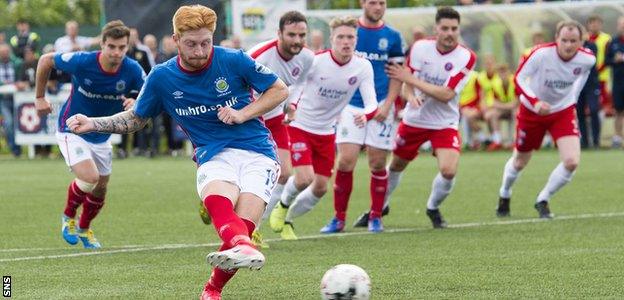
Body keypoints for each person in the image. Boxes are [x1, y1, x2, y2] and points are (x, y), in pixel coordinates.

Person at [65, 5, 288, 299]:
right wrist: (93, 123)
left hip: (258, 152)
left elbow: (279, 89)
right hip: (212, 154)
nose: (200, 51)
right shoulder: (161, 77)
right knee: (228, 215)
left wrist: (243, 113)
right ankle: (230, 262)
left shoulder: (234, 60)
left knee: (242, 229)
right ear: (175, 39)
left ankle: (213, 287)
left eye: (206, 42)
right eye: (191, 44)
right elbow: (136, 118)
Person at [34, 20, 145, 249]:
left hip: (101, 134)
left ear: (127, 47)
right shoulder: (83, 61)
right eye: (112, 46)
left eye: (121, 47)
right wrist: (39, 97)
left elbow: (148, 90)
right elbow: (46, 60)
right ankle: (68, 217)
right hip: (71, 128)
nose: (116, 52)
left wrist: (136, 100)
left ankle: (84, 228)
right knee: (90, 177)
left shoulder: (132, 69)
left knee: (101, 187)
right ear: (102, 44)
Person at [269, 15, 378, 239]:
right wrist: (293, 106)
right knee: (304, 178)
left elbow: (371, 102)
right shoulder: (316, 61)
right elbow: (297, 86)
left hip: (327, 132)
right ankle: (280, 207)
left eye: (350, 37)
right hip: (300, 125)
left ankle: (287, 219)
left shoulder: (362, 67)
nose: (346, 42)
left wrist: (367, 115)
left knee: (319, 188)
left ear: (356, 40)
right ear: (332, 39)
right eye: (341, 37)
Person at [384, 6, 476, 228]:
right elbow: (407, 84)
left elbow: (446, 95)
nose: (449, 33)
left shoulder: (466, 57)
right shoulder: (420, 48)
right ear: (436, 28)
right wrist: (410, 95)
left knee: (449, 170)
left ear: (458, 29)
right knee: (396, 165)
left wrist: (411, 81)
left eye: (454, 28)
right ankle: (380, 206)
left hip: (444, 122)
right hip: (415, 120)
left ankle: (432, 208)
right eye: (444, 28)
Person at [496, 21, 595, 219]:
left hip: (562, 112)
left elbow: (582, 77)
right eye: (564, 40)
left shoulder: (587, 59)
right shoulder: (541, 54)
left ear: (581, 41)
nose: (568, 45)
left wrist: (572, 102)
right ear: (556, 39)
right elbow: (519, 78)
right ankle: (505, 193)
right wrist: (535, 101)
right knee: (520, 161)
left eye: (573, 41)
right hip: (532, 111)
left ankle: (543, 199)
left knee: (571, 161)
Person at [320, 0, 404, 233]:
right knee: (346, 160)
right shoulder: (348, 32)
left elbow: (397, 75)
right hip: (350, 105)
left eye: (382, 3)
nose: (378, 7)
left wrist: (388, 105)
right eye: (372, 2)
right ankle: (339, 218)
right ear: (363, 4)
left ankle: (376, 216)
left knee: (377, 162)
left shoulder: (393, 37)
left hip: (380, 106)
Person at [245, 11, 314, 246]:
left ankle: (253, 229)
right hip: (249, 117)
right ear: (279, 34)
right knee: (242, 172)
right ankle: (214, 199)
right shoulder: (258, 56)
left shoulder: (306, 58)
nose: (297, 40)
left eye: (301, 35)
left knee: (284, 173)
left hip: (275, 118)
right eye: (291, 34)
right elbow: (234, 80)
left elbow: (300, 82)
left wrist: (291, 105)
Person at [587, 15, 613, 122]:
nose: (594, 25)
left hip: (601, 76)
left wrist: (598, 70)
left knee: (601, 101)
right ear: (588, 25)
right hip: (588, 76)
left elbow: (608, 57)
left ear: (601, 24)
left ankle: (599, 124)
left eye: (597, 23)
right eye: (592, 23)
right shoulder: (585, 38)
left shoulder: (607, 39)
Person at [0, 43, 23, 157]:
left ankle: (18, 148)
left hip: (17, 98)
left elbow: (21, 77)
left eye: (6, 52)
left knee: (19, 123)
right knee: (8, 123)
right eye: (2, 53)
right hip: (3, 99)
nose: (4, 54)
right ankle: (15, 149)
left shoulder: (17, 63)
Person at [577, 38, 600, 149]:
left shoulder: (591, 46)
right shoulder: (572, 47)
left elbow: (590, 61)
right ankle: (584, 141)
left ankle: (596, 141)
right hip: (577, 85)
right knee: (579, 113)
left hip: (591, 85)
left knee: (593, 109)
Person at [606, 16, 624, 149]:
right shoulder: (612, 42)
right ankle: (617, 138)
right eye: (621, 24)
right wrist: (615, 60)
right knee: (618, 111)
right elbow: (607, 61)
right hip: (618, 83)